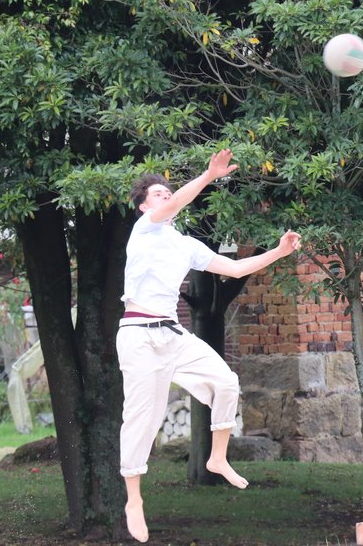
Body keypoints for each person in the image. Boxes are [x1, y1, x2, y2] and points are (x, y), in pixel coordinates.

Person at [119, 149, 301, 543]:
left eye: (169, 194)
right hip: (138, 336)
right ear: (143, 207)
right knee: (143, 419)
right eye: (158, 195)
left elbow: (234, 269)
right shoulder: (144, 231)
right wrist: (208, 175)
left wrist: (279, 251)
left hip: (172, 335)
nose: (166, 198)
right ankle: (134, 497)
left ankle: (217, 457)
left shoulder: (185, 245)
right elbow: (182, 198)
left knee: (226, 381)